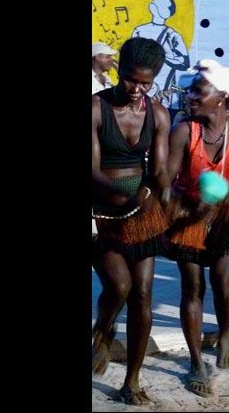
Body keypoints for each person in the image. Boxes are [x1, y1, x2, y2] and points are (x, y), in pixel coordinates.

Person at [161, 59, 229, 396]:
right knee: (192, 288)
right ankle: (195, 363)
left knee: (222, 282)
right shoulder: (183, 131)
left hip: (227, 217)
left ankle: (222, 336)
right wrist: (185, 203)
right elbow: (167, 181)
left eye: (198, 91)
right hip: (190, 217)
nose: (190, 96)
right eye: (190, 91)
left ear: (222, 97)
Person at [91, 37, 172, 405]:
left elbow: (158, 169)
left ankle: (132, 380)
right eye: (130, 80)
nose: (137, 89)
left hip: (142, 211)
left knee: (142, 295)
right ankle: (103, 330)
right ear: (118, 71)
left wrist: (160, 190)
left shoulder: (158, 114)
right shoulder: (96, 108)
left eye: (146, 83)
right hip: (103, 213)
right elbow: (91, 171)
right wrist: (124, 197)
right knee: (119, 286)